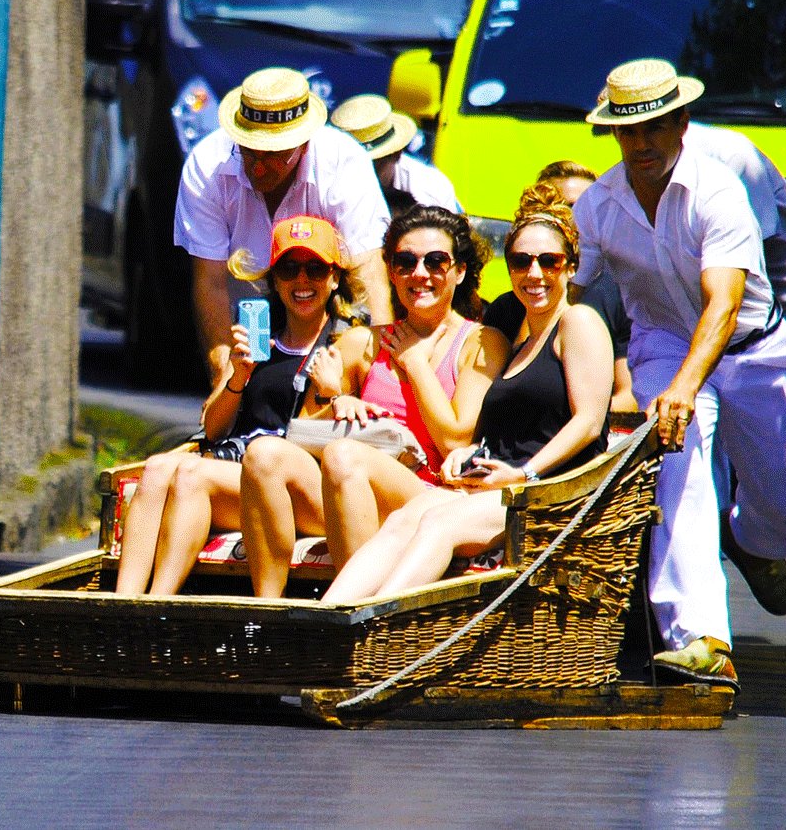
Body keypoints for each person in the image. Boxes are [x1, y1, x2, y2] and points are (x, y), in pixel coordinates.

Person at [572, 58, 786, 690]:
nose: (642, 143)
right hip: (663, 351)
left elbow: (724, 304)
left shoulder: (718, 191)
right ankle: (701, 639)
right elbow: (567, 290)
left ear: (682, 123)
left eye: (654, 127)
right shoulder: (596, 206)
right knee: (679, 461)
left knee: (778, 508)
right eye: (629, 131)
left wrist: (686, 385)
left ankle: (756, 543)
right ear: (614, 136)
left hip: (750, 350)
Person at [322, 187, 612, 601]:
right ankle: (333, 617)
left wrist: (524, 474)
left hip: (546, 492)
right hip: (493, 483)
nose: (534, 273)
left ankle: (372, 628)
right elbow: (509, 425)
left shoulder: (578, 322)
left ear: (570, 267)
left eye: (549, 261)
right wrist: (470, 452)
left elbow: (588, 423)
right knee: (405, 519)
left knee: (436, 524)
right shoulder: (523, 340)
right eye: (521, 261)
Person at [114, 217, 372, 596]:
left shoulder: (347, 342)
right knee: (156, 469)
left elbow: (359, 429)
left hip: (301, 483)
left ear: (335, 278)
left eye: (315, 268)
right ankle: (123, 605)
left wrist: (330, 395)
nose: (302, 281)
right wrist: (237, 375)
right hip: (240, 469)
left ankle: (157, 602)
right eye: (289, 269)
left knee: (190, 476)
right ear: (274, 279)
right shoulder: (258, 338)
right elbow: (215, 429)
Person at [312, 205, 510, 575]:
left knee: (344, 456)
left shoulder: (482, 342)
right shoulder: (361, 343)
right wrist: (336, 401)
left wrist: (415, 363)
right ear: (391, 270)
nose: (420, 274)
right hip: (350, 490)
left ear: (459, 271)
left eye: (436, 262)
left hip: (435, 492)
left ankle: (357, 611)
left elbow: (454, 439)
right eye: (405, 262)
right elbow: (305, 432)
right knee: (268, 454)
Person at [175, 67, 392, 384]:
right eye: (249, 152)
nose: (259, 167)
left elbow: (368, 277)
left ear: (304, 144)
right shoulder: (206, 163)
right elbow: (211, 283)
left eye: (274, 155)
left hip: (324, 317)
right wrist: (224, 379)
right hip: (244, 317)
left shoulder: (344, 162)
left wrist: (378, 380)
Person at [682, 123, 786, 503]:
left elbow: (752, 262)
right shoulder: (632, 171)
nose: (636, 139)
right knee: (701, 456)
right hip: (709, 317)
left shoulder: (730, 155)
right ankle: (722, 540)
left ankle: (767, 529)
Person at [482, 161, 637, 413]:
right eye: (563, 207)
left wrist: (569, 417)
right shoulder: (506, 309)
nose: (576, 219)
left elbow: (629, 396)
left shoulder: (617, 298)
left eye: (589, 209)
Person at [329, 94, 462, 213]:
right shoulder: (322, 184)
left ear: (396, 154)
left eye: (371, 165)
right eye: (350, 166)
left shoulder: (430, 189)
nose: (359, 175)